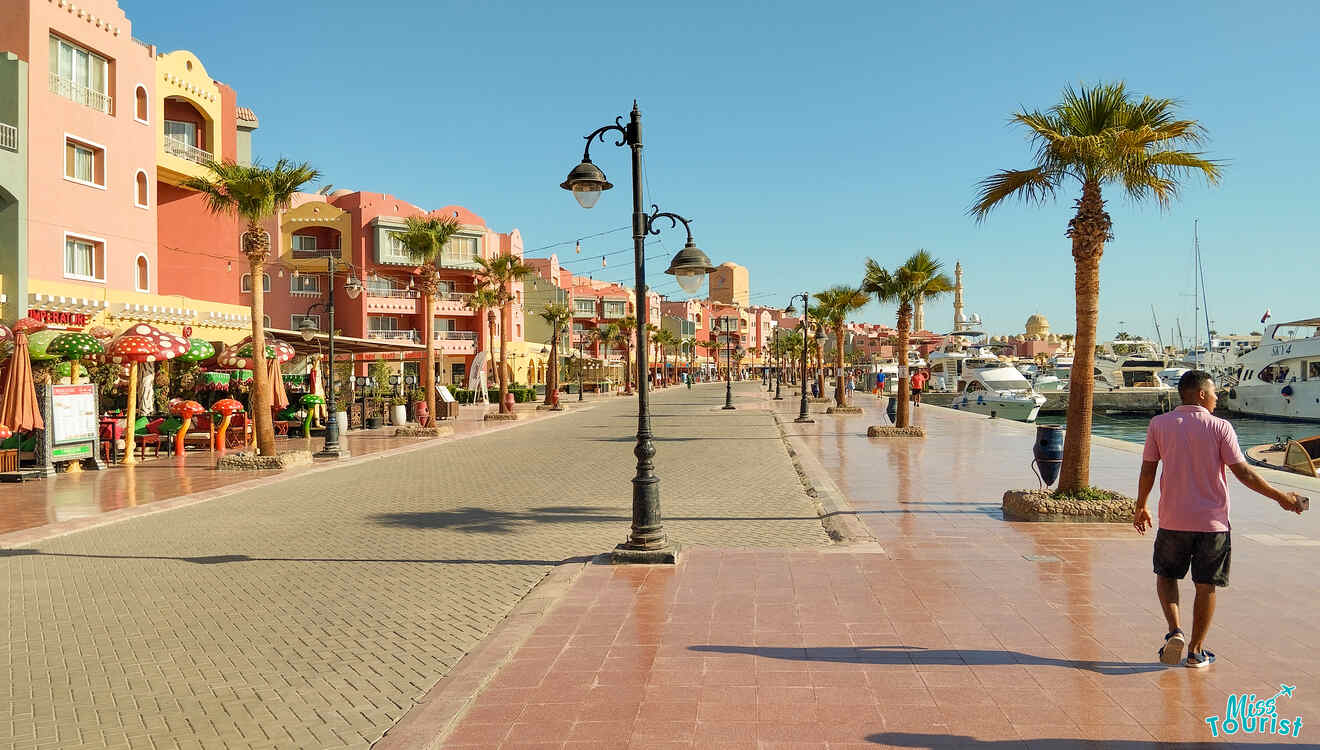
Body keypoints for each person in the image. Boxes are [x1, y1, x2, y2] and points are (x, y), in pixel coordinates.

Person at [1135, 370, 1305, 668]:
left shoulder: (1159, 425)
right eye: (1214, 393)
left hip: (1173, 519)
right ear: (1201, 393)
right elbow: (1244, 473)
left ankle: (1175, 631)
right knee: (1206, 585)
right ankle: (1196, 651)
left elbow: (1148, 469)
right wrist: (1282, 498)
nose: (1217, 398)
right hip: (1212, 524)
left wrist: (1141, 505)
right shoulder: (1220, 427)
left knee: (1166, 575)